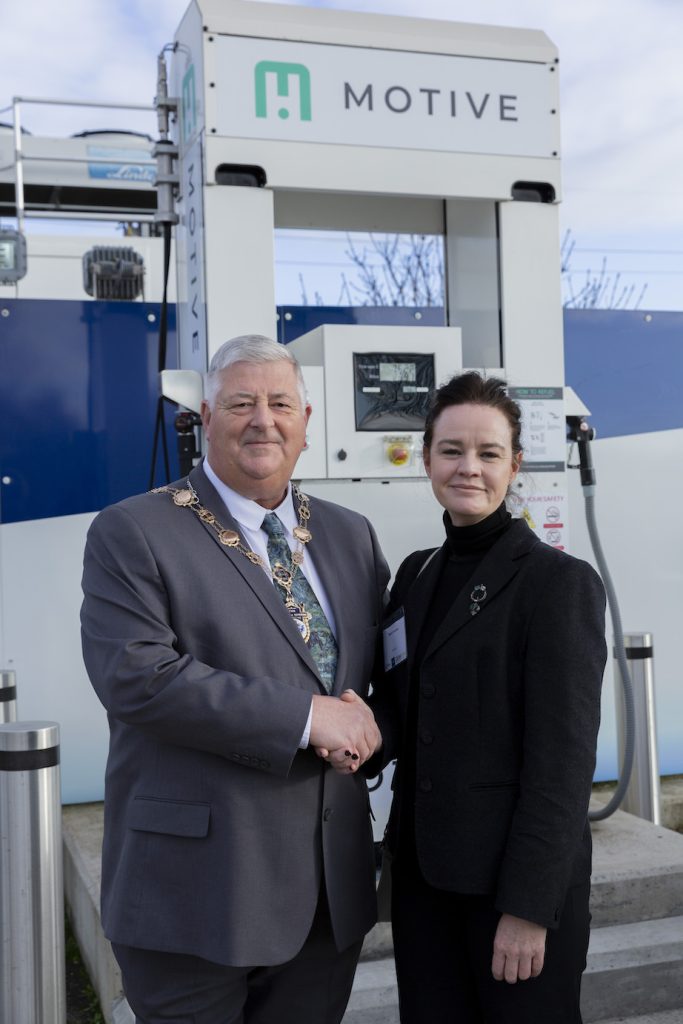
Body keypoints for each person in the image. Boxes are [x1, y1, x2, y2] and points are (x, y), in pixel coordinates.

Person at [80, 334, 390, 1024]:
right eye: (241, 403)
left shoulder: (350, 536)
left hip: (324, 898)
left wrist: (370, 728)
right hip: (196, 894)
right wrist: (309, 719)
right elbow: (137, 676)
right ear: (206, 418)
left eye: (281, 403)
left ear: (307, 423)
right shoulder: (134, 530)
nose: (263, 420)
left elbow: (377, 683)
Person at [352, 371, 606, 1023]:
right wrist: (351, 732)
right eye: (451, 450)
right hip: (424, 885)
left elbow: (561, 766)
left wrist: (526, 908)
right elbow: (401, 701)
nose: (468, 467)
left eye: (488, 453)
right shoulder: (416, 574)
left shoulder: (557, 585)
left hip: (510, 891)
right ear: (427, 458)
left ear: (513, 465)